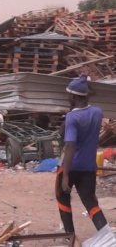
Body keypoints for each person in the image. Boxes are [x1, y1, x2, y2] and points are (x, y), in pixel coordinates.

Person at [56, 76, 107, 241]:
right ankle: (108, 237)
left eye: (68, 95)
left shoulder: (72, 118)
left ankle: (69, 236)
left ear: (73, 97)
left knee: (62, 197)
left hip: (70, 166)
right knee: (91, 202)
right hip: (89, 166)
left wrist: (65, 176)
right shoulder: (98, 112)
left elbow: (70, 145)